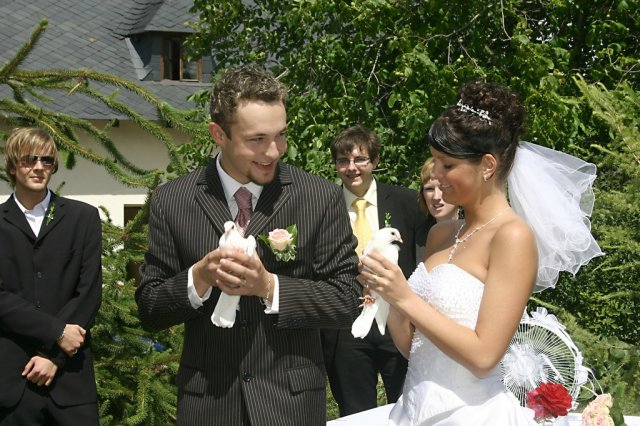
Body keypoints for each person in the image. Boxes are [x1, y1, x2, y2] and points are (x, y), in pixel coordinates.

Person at [353, 81, 602, 425]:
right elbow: (414, 349)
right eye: (435, 162)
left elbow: (485, 357)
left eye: (447, 165)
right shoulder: (441, 233)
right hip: (412, 409)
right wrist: (389, 297)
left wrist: (405, 297)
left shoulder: (512, 237)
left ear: (486, 165)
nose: (435, 175)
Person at [135, 65, 361, 426]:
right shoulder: (172, 201)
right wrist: (199, 278)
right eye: (257, 139)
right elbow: (150, 308)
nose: (274, 151)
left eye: (281, 135)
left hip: (290, 406)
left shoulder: (319, 197)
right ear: (218, 134)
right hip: (208, 405)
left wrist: (269, 286)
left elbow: (347, 299)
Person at [320, 125, 428, 416]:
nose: (351, 168)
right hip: (346, 327)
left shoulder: (407, 202)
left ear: (375, 160)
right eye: (343, 161)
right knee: (356, 414)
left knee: (411, 409)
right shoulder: (323, 207)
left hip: (399, 322)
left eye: (360, 159)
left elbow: (423, 259)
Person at [0, 128, 102, 425]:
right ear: (12, 165)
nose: (39, 167)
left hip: (71, 379)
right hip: (13, 382)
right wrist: (57, 332)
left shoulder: (83, 218)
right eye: (29, 159)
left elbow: (89, 293)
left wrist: (53, 357)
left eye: (46, 160)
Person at [415, 157, 460, 261]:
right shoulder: (417, 237)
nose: (436, 197)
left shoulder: (474, 230)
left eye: (443, 187)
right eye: (429, 189)